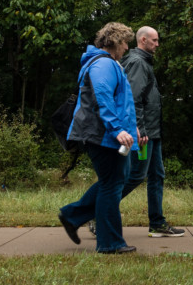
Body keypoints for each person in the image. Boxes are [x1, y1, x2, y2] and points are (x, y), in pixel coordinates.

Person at [58, 22, 140, 254]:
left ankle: (72, 215)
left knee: (113, 181)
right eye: (124, 42)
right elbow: (103, 98)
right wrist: (117, 129)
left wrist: (132, 129)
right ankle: (110, 243)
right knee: (112, 185)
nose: (126, 47)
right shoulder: (104, 64)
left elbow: (120, 102)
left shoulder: (108, 63)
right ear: (114, 42)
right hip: (102, 135)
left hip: (105, 133)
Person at [119, 26, 184, 237]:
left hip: (152, 132)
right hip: (145, 133)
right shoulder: (138, 63)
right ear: (143, 40)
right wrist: (140, 129)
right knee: (136, 175)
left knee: (157, 174)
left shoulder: (143, 61)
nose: (157, 44)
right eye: (154, 40)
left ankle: (157, 223)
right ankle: (96, 210)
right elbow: (134, 99)